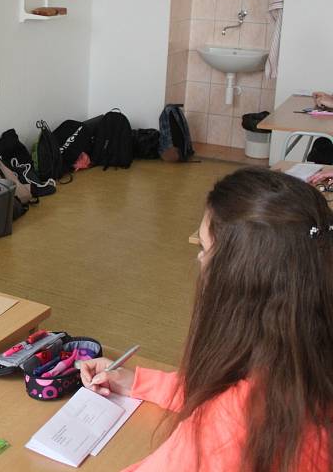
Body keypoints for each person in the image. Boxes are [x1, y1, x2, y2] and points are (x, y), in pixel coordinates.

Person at [80, 167, 333, 471]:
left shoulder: (228, 422)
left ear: (240, 279)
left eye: (204, 248)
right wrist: (138, 382)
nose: (199, 259)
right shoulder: (302, 361)